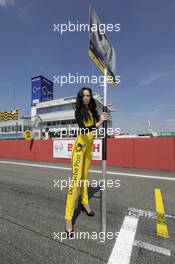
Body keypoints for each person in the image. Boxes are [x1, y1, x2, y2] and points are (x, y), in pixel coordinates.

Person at [64, 87, 108, 238]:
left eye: (88, 95)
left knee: (85, 178)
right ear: (80, 98)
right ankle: (68, 218)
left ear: (91, 97)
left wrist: (101, 118)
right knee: (75, 181)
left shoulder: (93, 112)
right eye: (84, 96)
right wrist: (98, 123)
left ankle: (84, 203)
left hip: (88, 149)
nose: (86, 98)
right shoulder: (78, 111)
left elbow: (95, 128)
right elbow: (84, 130)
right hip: (79, 148)